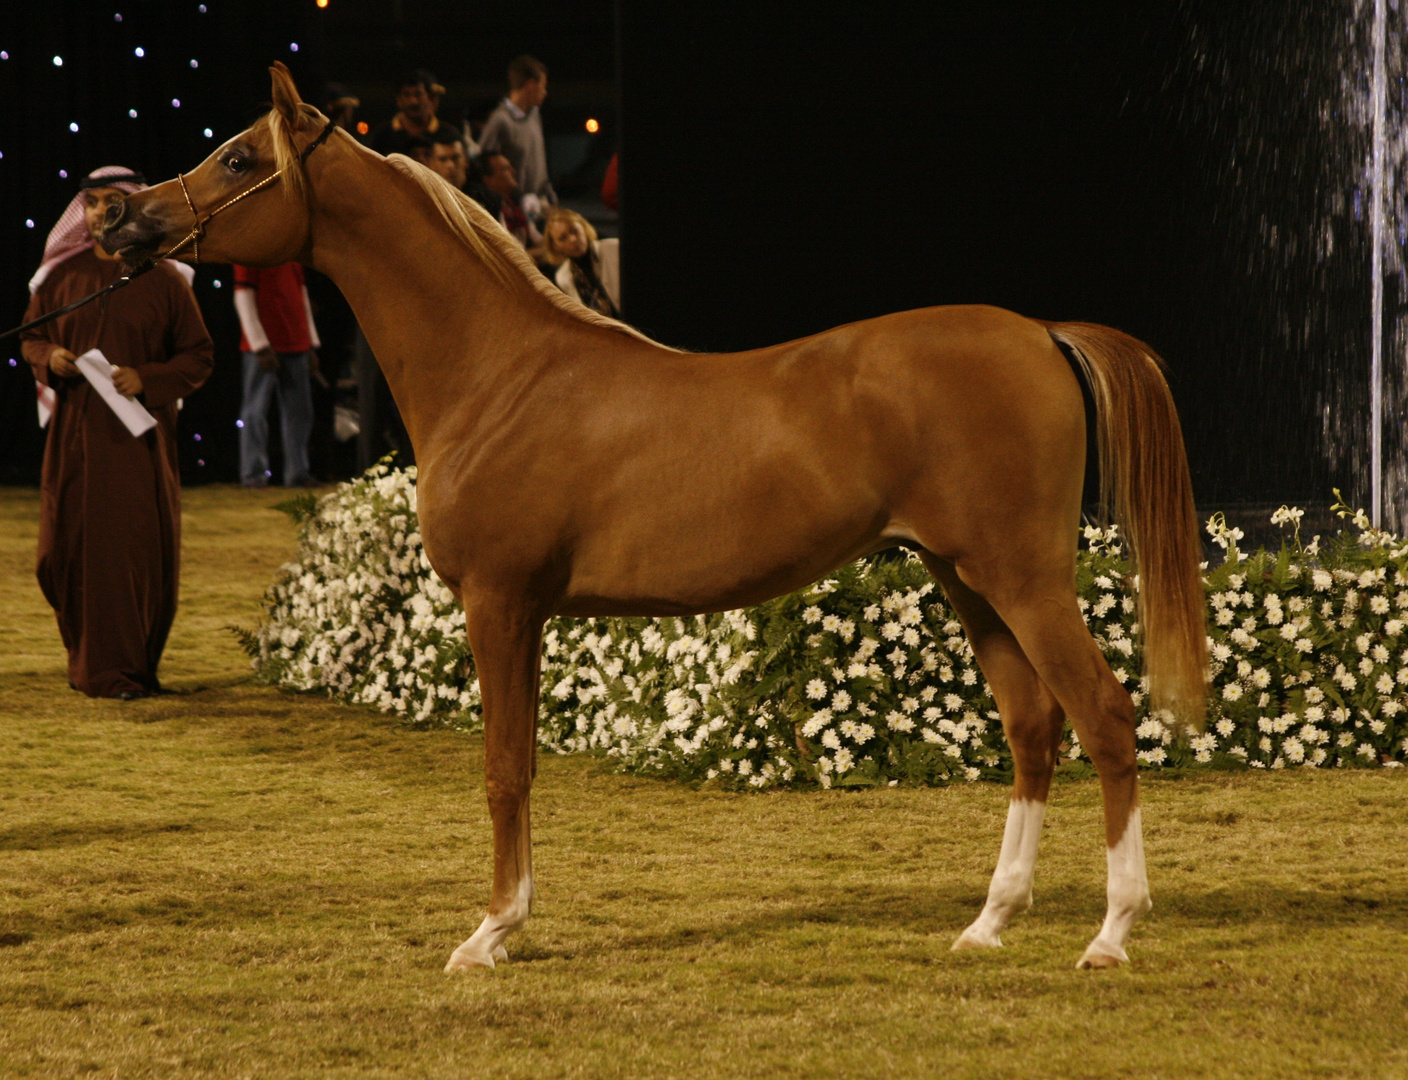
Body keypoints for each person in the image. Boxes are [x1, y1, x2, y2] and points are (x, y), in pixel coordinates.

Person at [20, 166, 214, 700]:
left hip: (137, 449)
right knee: (65, 552)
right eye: (93, 201)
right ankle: (86, 660)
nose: (102, 211)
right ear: (80, 212)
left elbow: (199, 356)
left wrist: (146, 378)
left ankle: (123, 669)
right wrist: (50, 357)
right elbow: (32, 338)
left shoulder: (165, 280)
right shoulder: (62, 278)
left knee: (129, 556)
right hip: (74, 443)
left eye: (114, 201)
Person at [233, 261, 320, 488]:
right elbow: (242, 295)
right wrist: (259, 344)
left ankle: (298, 472)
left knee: (300, 413)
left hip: (296, 343)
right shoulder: (251, 251)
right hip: (264, 346)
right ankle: (253, 474)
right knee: (255, 412)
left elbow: (301, 294)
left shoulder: (291, 254)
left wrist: (310, 343)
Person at [478, 55, 557, 215]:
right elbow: (483, 166)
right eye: (543, 86)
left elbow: (539, 163)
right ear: (530, 85)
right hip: (514, 210)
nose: (545, 92)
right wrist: (516, 199)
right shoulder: (500, 121)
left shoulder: (534, 115)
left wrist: (550, 196)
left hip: (540, 204)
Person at [542, 206, 619, 317]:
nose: (573, 239)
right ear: (556, 247)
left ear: (583, 227)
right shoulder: (563, 277)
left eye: (575, 231)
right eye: (563, 238)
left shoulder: (614, 248)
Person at [370, 69, 451, 157]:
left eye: (418, 94)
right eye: (407, 95)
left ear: (430, 97)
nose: (413, 101)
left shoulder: (448, 135)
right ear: (398, 100)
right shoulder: (382, 137)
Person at [473, 151, 540, 249]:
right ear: (488, 180)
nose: (513, 171)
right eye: (505, 169)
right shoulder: (488, 214)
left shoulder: (515, 205)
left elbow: (540, 242)